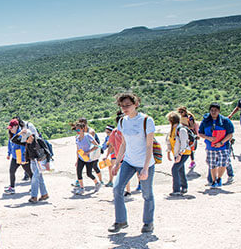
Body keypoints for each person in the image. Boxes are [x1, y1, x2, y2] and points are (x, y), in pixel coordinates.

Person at [109, 92, 156, 233]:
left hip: (144, 162)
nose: (125, 108)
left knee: (147, 194)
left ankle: (148, 223)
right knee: (117, 188)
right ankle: (120, 221)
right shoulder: (122, 121)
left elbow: (149, 146)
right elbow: (124, 143)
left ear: (136, 104)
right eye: (122, 106)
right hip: (129, 161)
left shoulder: (147, 120)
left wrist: (146, 168)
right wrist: (117, 163)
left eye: (128, 105)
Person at [198, 103, 235, 188]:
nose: (213, 112)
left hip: (223, 146)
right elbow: (200, 133)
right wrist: (208, 138)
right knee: (212, 165)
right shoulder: (205, 121)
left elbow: (230, 134)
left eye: (215, 110)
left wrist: (221, 142)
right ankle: (214, 181)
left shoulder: (225, 121)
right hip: (210, 147)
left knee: (223, 163)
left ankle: (219, 178)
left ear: (219, 111)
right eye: (212, 110)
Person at [10, 128, 49, 202]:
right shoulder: (26, 142)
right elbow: (13, 140)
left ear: (31, 136)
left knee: (34, 179)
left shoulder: (39, 140)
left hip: (40, 161)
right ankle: (44, 194)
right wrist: (20, 133)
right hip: (32, 162)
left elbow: (47, 151)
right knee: (39, 178)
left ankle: (34, 196)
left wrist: (48, 162)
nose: (26, 141)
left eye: (27, 139)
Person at [165, 112, 191, 196]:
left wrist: (180, 154)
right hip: (177, 153)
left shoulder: (181, 129)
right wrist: (168, 152)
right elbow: (169, 141)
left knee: (175, 169)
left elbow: (184, 143)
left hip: (184, 153)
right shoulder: (172, 130)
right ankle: (184, 187)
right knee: (180, 169)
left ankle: (176, 189)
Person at [4, 118, 33, 194]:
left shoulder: (22, 133)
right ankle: (12, 188)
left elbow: (23, 147)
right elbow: (10, 144)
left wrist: (23, 159)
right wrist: (8, 153)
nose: (10, 130)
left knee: (29, 172)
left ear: (16, 126)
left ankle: (34, 186)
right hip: (14, 156)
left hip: (22, 156)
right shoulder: (12, 134)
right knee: (11, 171)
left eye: (11, 128)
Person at [73, 121, 101, 195]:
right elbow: (78, 150)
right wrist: (77, 160)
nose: (77, 131)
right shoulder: (77, 138)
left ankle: (97, 183)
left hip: (89, 159)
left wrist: (88, 152)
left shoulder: (88, 136)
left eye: (78, 130)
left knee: (89, 174)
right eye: (76, 130)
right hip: (81, 158)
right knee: (78, 172)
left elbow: (96, 145)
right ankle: (82, 188)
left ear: (82, 129)